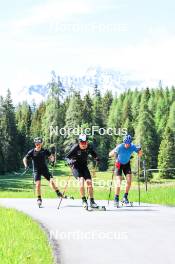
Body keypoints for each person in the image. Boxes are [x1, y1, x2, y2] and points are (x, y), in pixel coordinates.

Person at [23, 137, 63, 205]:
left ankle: (58, 193)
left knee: (52, 181)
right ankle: (39, 199)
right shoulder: (32, 151)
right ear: (35, 144)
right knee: (38, 184)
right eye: (36, 144)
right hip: (36, 170)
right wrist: (26, 165)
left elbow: (51, 156)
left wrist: (52, 161)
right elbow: (25, 158)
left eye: (39, 143)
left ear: (41, 144)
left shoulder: (44, 151)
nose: (37, 145)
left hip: (44, 170)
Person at [65, 134, 99, 209]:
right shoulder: (75, 148)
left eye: (85, 142)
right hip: (76, 167)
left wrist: (96, 157)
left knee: (89, 183)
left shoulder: (89, 147)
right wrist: (70, 161)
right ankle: (84, 201)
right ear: (79, 142)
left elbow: (93, 153)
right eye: (81, 143)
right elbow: (67, 157)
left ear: (87, 142)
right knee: (81, 181)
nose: (83, 144)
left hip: (84, 167)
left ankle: (92, 201)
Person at [109, 134, 142, 206]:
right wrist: (114, 152)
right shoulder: (120, 146)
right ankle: (116, 198)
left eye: (129, 143)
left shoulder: (132, 146)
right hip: (119, 164)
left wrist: (139, 150)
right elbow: (110, 154)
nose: (127, 145)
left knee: (129, 181)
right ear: (124, 142)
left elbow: (140, 155)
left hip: (127, 164)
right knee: (118, 182)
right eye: (126, 143)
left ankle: (125, 197)